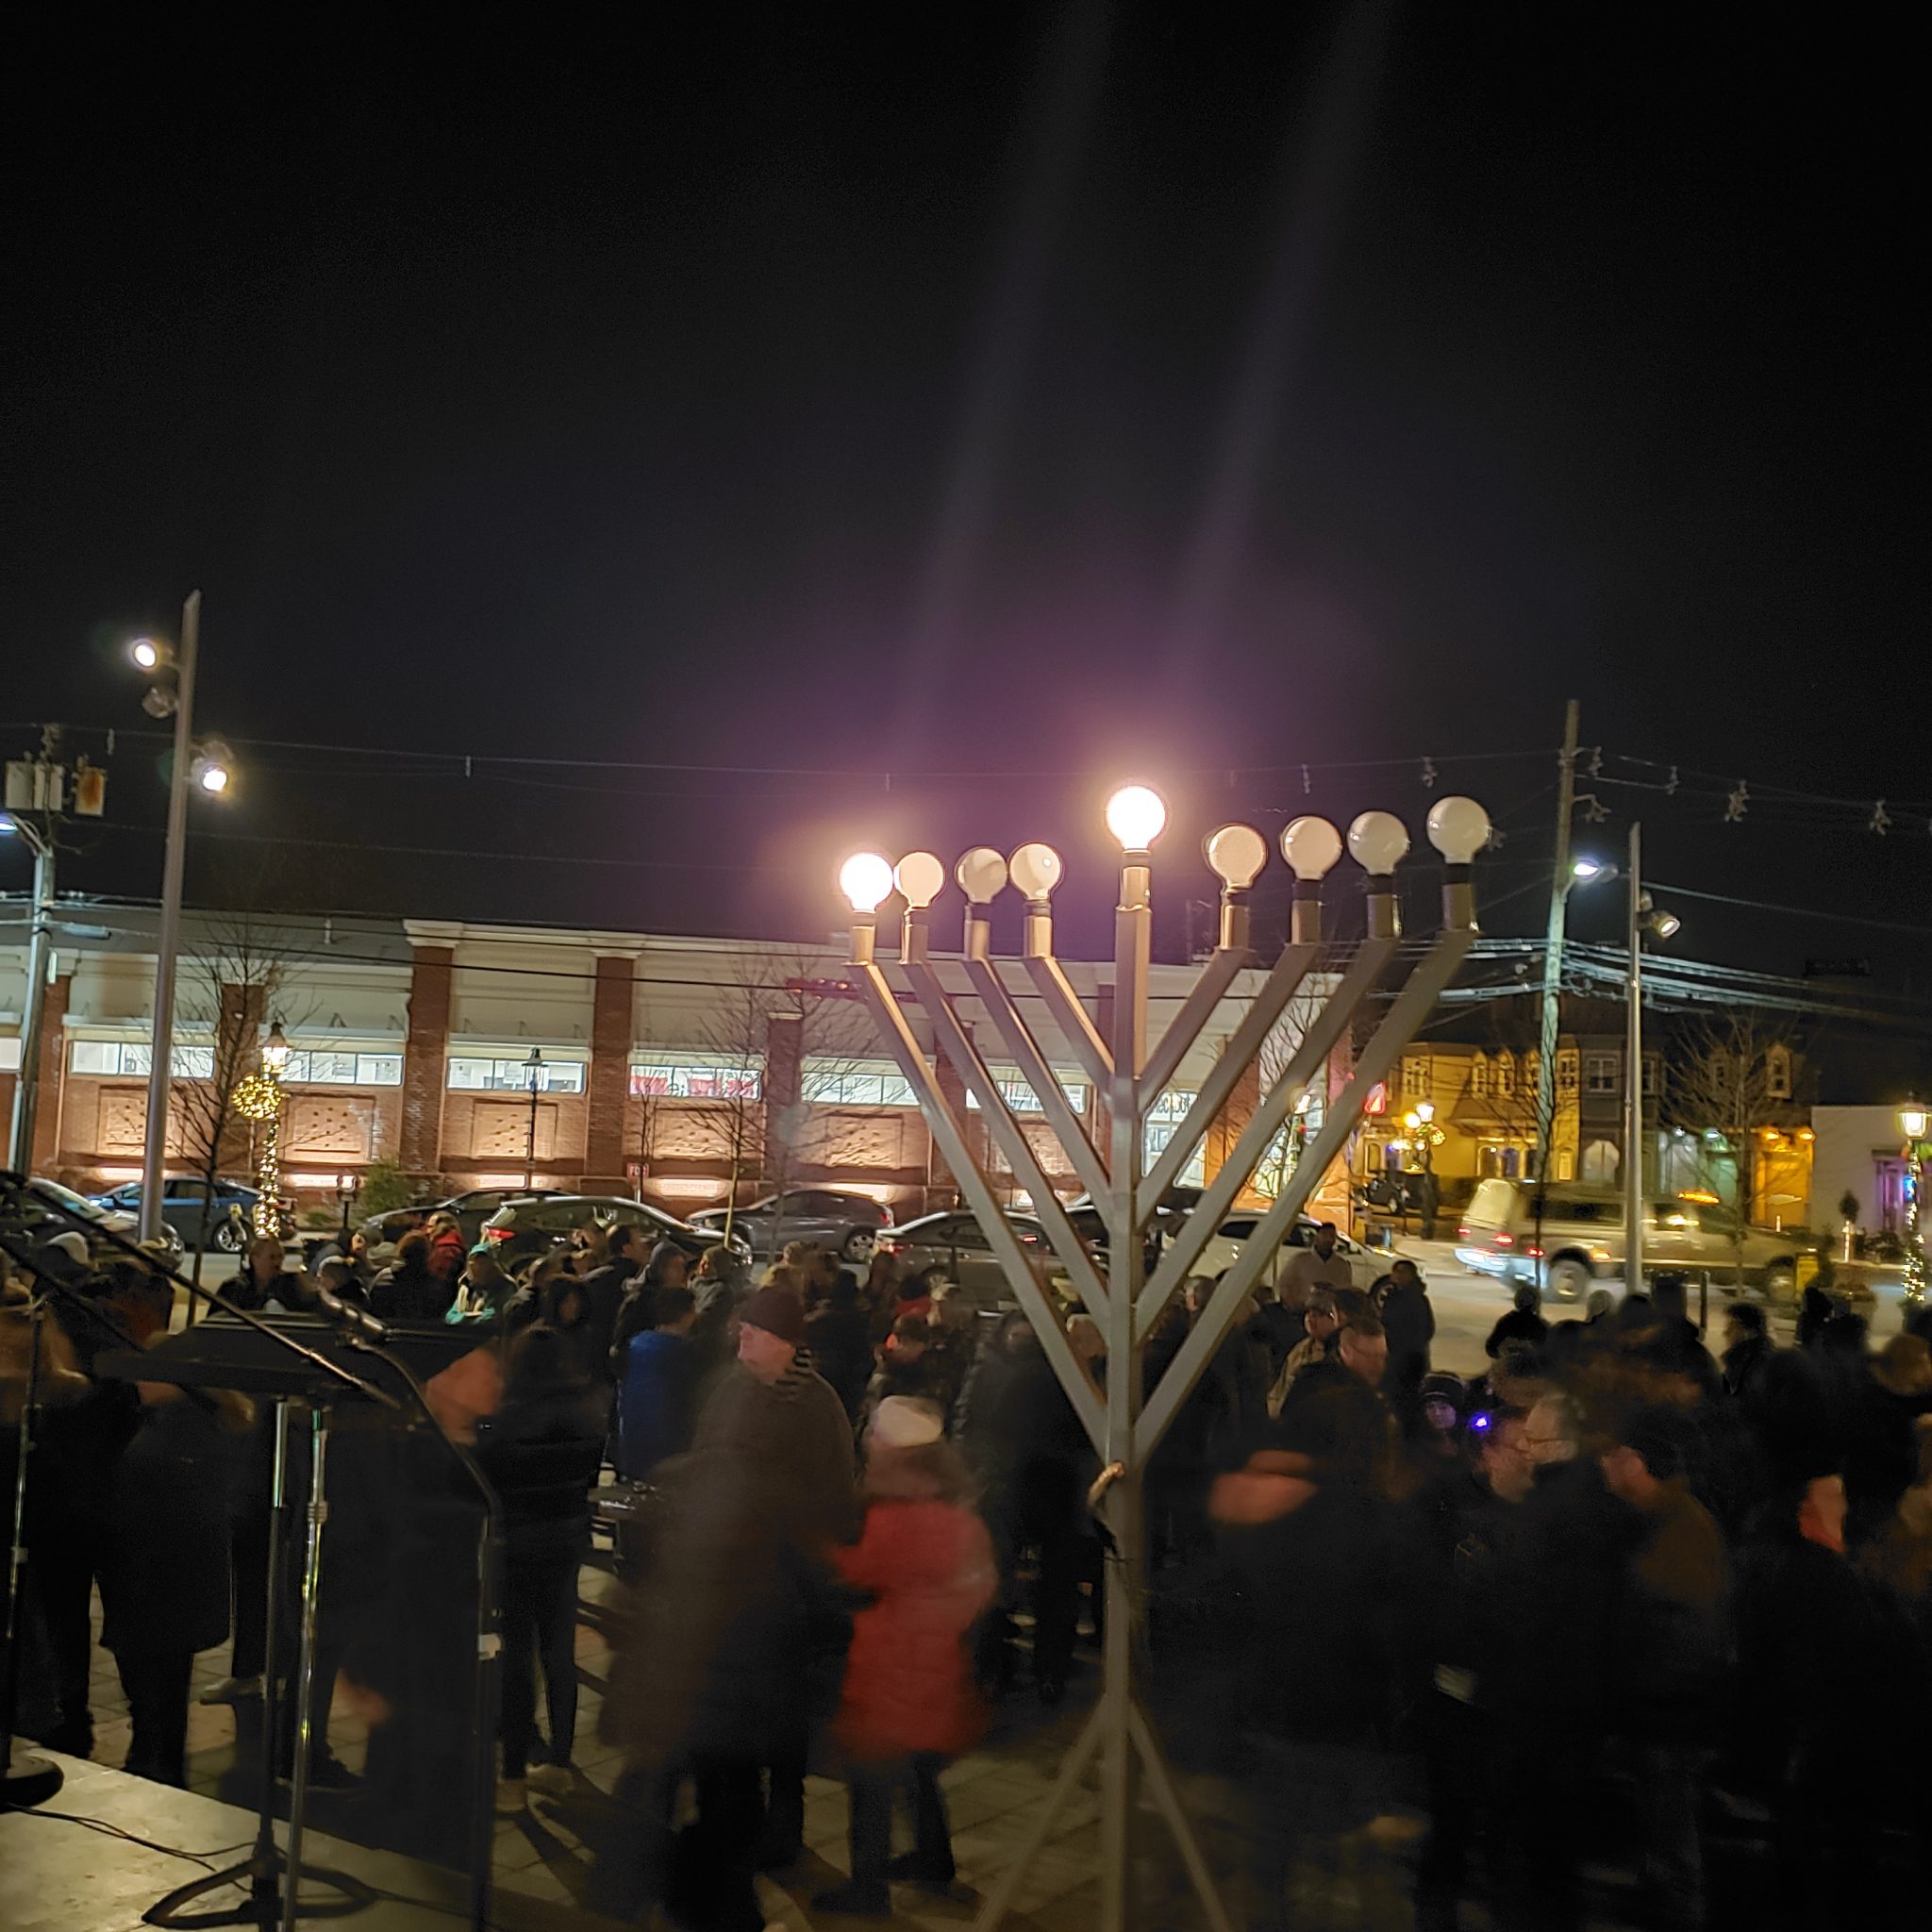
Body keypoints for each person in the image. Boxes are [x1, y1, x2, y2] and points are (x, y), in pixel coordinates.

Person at [603, 1283, 856, 1930]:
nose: (739, 1337)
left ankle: (779, 1833)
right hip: (737, 1597)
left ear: (784, 1342)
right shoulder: (731, 1390)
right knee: (732, 1756)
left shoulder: (817, 1405)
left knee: (781, 1735)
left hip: (786, 1585)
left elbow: (833, 1497)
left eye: (753, 1331)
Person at [810, 1397, 996, 1917]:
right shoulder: (961, 1518)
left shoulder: (896, 1518)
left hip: (891, 1667)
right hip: (938, 1665)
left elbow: (862, 1570)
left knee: (870, 1782)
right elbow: (979, 1588)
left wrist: (819, 1549)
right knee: (919, 1773)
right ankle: (934, 1863)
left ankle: (867, 1889)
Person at [1597, 1407, 1730, 1932]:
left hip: (1671, 1718)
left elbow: (1684, 1632)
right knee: (1660, 1837)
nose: (1603, 1463)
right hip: (1660, 1712)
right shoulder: (1659, 1518)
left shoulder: (1678, 1530)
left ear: (1639, 1463)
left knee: (1672, 1844)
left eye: (1613, 1453)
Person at [475, 1323, 606, 1810]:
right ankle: (561, 1763)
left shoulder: (503, 1422)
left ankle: (511, 1777)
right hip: (567, 1541)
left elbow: (484, 1481)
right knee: (559, 1653)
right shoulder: (587, 1417)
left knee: (515, 1658)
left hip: (516, 1547)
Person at [614, 1283, 700, 1481]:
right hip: (669, 1448)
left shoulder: (636, 1344)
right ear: (687, 1314)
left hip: (632, 1440)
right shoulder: (683, 1352)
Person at [575, 1223, 648, 1383]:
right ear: (627, 1249)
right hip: (619, 1368)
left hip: (589, 1365)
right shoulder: (639, 1282)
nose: (646, 1248)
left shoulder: (591, 1280)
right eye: (640, 1243)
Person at [805, 1268, 874, 1422]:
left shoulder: (816, 1320)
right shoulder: (859, 1320)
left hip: (821, 1380)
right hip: (848, 1386)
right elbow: (865, 1357)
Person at [1372, 1257, 1435, 1419]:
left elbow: (1425, 1328)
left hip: (1404, 1356)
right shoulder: (1396, 1295)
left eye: (1403, 1272)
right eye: (1396, 1271)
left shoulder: (1412, 1299)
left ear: (1412, 1275)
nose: (1398, 1275)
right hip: (1407, 1354)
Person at [1266, 1289, 1341, 1416]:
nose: (1310, 1319)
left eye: (1318, 1314)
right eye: (1309, 1313)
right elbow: (1279, 1391)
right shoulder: (1300, 1349)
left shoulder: (1339, 1354)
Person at [369, 1229, 456, 1322]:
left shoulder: (383, 1278)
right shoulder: (435, 1286)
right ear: (427, 1255)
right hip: (419, 1334)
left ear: (401, 1250)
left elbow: (373, 1308)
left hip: (387, 1330)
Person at [1278, 1223, 1356, 1303]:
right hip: (1302, 1308)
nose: (1328, 1239)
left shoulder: (1341, 1265)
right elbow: (1285, 1283)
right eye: (1324, 1235)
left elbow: (1346, 1289)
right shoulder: (1300, 1260)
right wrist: (1290, 1302)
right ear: (1317, 1237)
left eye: (1331, 1236)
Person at [230, 1235, 306, 1313]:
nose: (277, 1262)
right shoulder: (236, 1288)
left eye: (280, 1257)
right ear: (255, 1259)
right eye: (272, 1257)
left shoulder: (289, 1286)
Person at [1720, 1299, 1775, 1402]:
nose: (1726, 1333)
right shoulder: (1748, 1359)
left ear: (1747, 1332)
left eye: (1731, 1327)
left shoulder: (1750, 1365)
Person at [1484, 1281, 1548, 1359]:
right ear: (1536, 1303)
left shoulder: (1506, 1322)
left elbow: (1491, 1348)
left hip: (1505, 1365)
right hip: (1531, 1368)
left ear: (1516, 1301)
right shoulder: (1540, 1326)